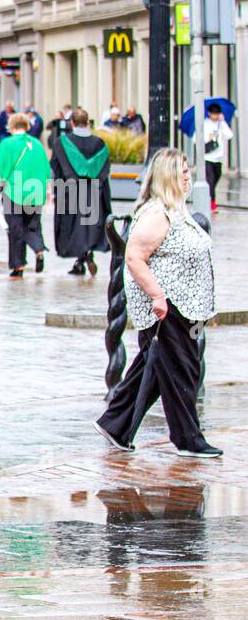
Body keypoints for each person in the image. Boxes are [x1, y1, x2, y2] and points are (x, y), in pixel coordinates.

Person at [96, 148, 221, 458]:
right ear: (167, 176)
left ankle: (116, 424)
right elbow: (134, 257)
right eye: (182, 171)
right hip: (170, 306)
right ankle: (188, 439)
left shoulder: (174, 209)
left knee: (152, 369)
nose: (188, 175)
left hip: (185, 305)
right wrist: (157, 296)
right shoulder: (156, 214)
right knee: (181, 370)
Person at [0, 112, 51, 278]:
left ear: (11, 126)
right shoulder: (37, 144)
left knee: (15, 229)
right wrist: (48, 191)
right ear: (28, 126)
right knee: (33, 225)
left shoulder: (7, 144)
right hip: (36, 192)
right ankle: (38, 249)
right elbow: (46, 170)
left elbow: (0, 170)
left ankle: (18, 266)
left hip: (14, 192)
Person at [50, 108, 112, 276]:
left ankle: (81, 258)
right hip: (93, 188)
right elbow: (106, 170)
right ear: (88, 122)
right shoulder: (100, 144)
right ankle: (85, 255)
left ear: (72, 123)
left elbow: (55, 166)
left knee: (73, 225)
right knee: (89, 224)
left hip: (69, 189)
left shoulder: (62, 142)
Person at [204, 102, 233, 213]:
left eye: (217, 114)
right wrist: (209, 138)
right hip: (207, 157)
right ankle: (212, 203)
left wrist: (223, 121)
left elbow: (230, 135)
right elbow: (197, 139)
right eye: (214, 114)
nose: (215, 116)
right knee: (210, 180)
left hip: (218, 157)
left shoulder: (221, 124)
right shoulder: (205, 124)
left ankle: (209, 195)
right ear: (209, 113)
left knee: (216, 178)